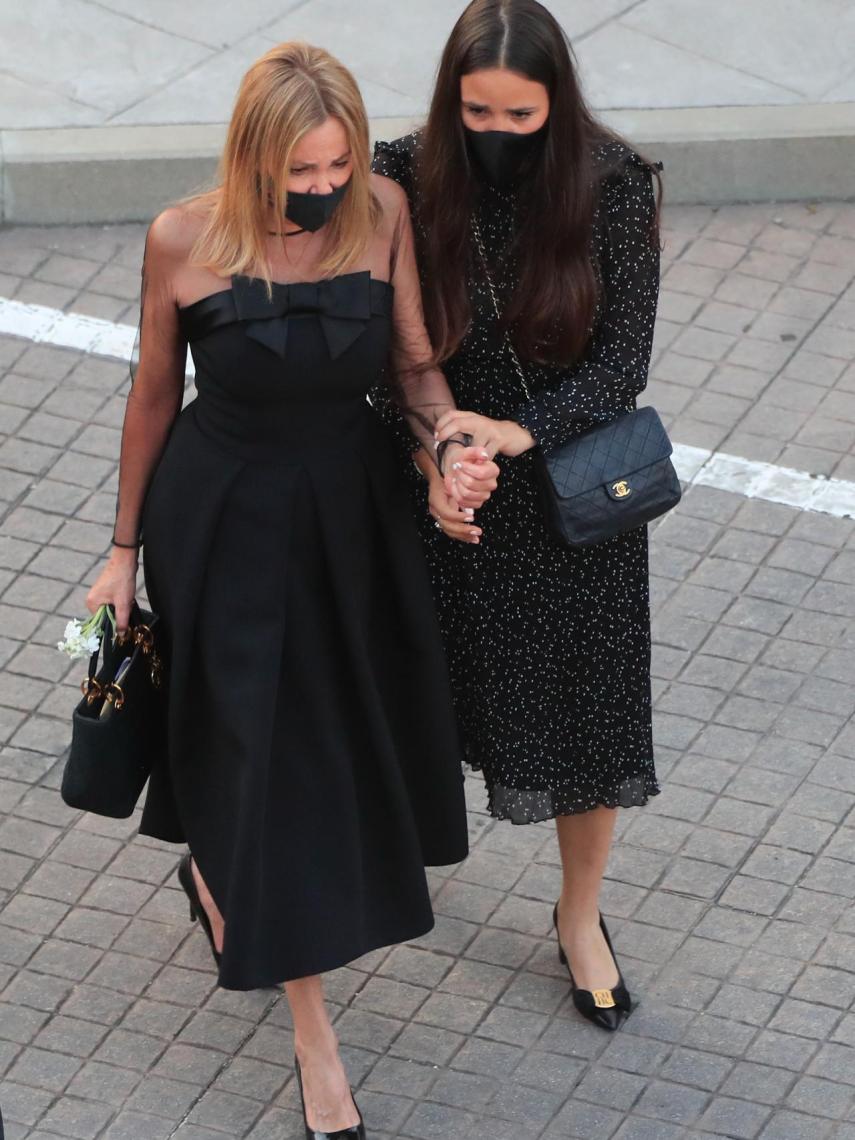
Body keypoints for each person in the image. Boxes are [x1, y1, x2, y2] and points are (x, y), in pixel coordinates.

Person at [85, 41, 499, 1137]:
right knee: (263, 753)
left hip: (353, 519)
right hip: (221, 525)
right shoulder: (181, 237)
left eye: (337, 165)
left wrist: (447, 441)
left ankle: (222, 878)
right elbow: (150, 400)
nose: (323, 189)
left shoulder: (383, 210)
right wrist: (122, 554)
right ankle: (317, 1039)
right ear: (253, 155)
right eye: (301, 172)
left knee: (312, 744)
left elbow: (412, 371)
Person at [372, 0, 663, 1031]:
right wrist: (440, 453)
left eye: (520, 115)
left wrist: (513, 435)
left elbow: (623, 364)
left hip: (567, 504)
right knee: (379, 707)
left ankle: (580, 916)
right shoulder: (398, 177)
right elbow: (384, 351)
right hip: (438, 489)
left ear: (558, 104)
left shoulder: (616, 186)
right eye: (477, 110)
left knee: (592, 732)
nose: (495, 132)